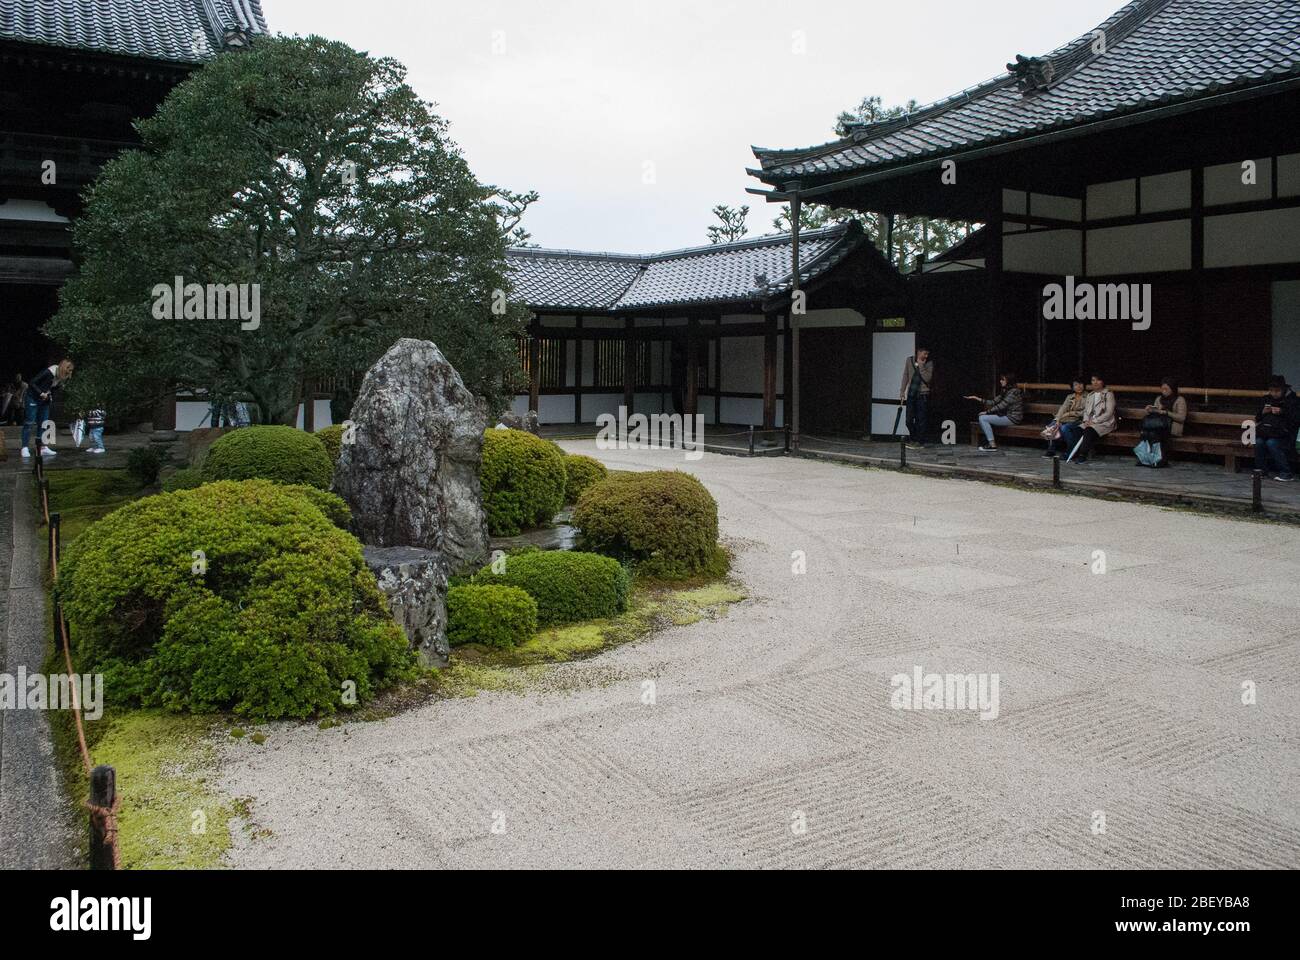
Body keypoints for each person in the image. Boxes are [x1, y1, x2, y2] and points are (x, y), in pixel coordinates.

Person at [21, 359, 74, 458]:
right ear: (64, 368)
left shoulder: (61, 377)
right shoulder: (49, 372)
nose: (70, 373)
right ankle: (24, 447)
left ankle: (42, 448)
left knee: (44, 423)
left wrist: (51, 394)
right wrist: (41, 393)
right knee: (29, 422)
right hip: (33, 397)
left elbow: (52, 387)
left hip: (44, 400)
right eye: (69, 370)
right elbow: (32, 383)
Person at [1254, 375, 1299, 482]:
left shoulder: (1293, 400)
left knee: (1272, 443)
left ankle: (1286, 472)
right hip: (1268, 432)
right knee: (1259, 442)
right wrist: (1263, 412)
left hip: (1286, 434)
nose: (1274, 393)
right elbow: (1258, 417)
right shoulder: (1266, 399)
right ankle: (1261, 471)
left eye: (1277, 391)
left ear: (1284, 389)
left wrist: (1282, 412)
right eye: (1271, 390)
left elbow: (1296, 419)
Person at [1135, 377, 1187, 468]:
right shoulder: (1159, 399)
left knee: (1156, 433)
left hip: (1173, 425)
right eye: (1162, 389)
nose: (1164, 391)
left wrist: (1166, 412)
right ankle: (1145, 458)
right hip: (1159, 424)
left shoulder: (1180, 400)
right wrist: (1151, 410)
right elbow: (1156, 412)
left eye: (1166, 389)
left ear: (1173, 389)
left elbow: (1181, 418)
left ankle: (1160, 459)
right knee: (1147, 433)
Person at [966, 372, 1024, 452]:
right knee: (983, 418)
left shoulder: (1014, 392)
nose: (1001, 381)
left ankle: (992, 445)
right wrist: (977, 398)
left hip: (1012, 418)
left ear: (1009, 381)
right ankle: (990, 443)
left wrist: (987, 412)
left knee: (983, 418)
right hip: (1006, 416)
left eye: (1003, 380)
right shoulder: (1006, 390)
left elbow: (1002, 405)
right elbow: (993, 402)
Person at [1069, 374, 1116, 464]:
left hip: (1105, 422)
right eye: (1093, 380)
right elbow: (1086, 411)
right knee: (1076, 430)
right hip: (1090, 422)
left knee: (1089, 430)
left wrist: (1094, 421)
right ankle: (1075, 453)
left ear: (1103, 382)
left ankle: (1083, 455)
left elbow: (1109, 413)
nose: (1095, 382)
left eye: (1098, 380)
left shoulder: (1109, 394)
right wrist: (1086, 420)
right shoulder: (1090, 395)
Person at [899, 346, 934, 449]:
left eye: (927, 354)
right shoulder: (909, 360)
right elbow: (905, 375)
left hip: (922, 394)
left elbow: (927, 378)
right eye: (924, 353)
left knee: (921, 419)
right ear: (919, 352)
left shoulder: (929, 363)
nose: (926, 356)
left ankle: (919, 441)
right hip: (911, 393)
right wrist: (902, 391)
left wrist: (922, 366)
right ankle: (914, 439)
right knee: (908, 420)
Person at [1044, 376, 1087, 459]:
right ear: (1072, 387)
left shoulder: (1088, 396)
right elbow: (1062, 409)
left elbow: (1086, 412)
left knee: (1064, 428)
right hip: (1066, 419)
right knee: (1052, 425)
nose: (1079, 386)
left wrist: (1070, 413)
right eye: (1076, 385)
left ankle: (1071, 451)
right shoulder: (1070, 397)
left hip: (1079, 421)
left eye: (1081, 384)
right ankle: (1051, 450)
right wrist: (1057, 419)